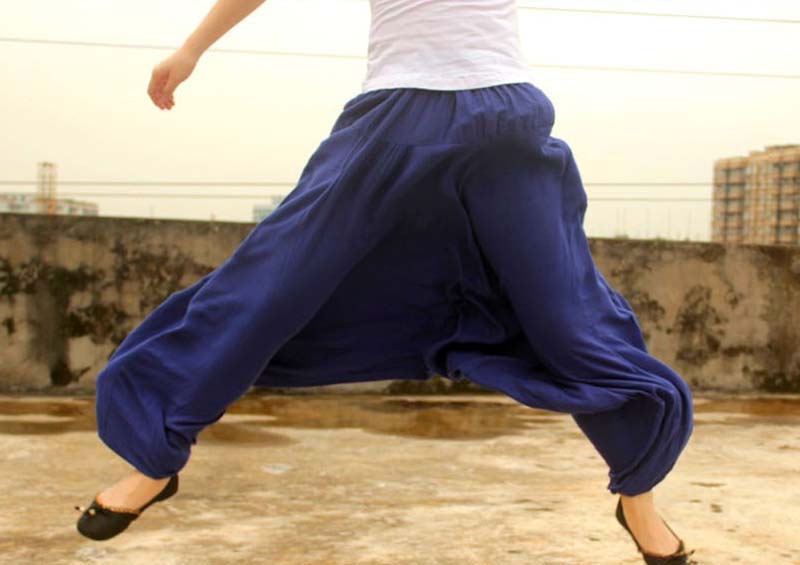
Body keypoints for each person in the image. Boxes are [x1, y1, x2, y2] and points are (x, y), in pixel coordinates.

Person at [75, 0, 697, 562]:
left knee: (570, 319)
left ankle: (638, 499)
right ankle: (156, 458)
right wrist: (191, 48)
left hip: (507, 120)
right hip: (394, 115)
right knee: (274, 283)